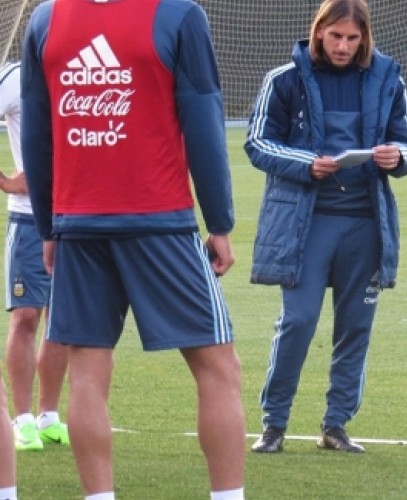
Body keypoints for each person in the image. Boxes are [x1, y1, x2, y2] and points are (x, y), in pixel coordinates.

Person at [20, 0, 246, 498]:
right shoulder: (178, 14)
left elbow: (37, 134)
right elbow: (204, 120)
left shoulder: (45, 19)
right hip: (159, 221)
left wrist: (48, 228)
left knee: (86, 372)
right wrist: (221, 223)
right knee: (218, 365)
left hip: (77, 224)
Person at [244, 0, 407, 455]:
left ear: (365, 38)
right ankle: (274, 424)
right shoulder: (283, 79)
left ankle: (336, 426)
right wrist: (308, 164)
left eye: (352, 38)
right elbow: (257, 142)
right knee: (298, 322)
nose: (343, 46)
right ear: (319, 31)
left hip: (365, 224)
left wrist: (396, 157)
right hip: (306, 223)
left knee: (355, 327)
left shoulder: (387, 79)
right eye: (335, 36)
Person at [1, 60, 70, 455]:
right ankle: (22, 418)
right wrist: (7, 182)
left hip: (80, 217)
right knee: (27, 315)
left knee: (63, 319)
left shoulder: (86, 72)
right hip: (30, 218)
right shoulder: (16, 74)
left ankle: (48, 416)